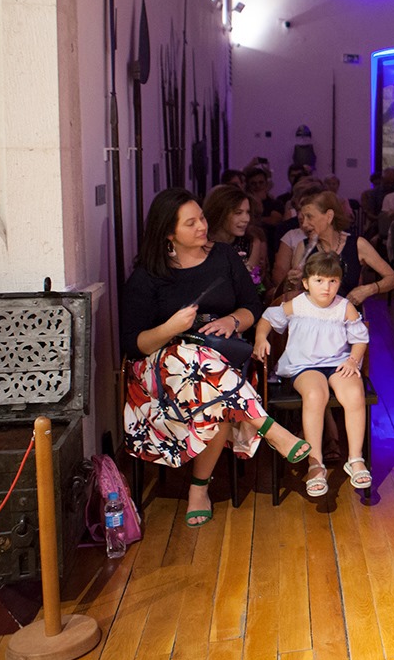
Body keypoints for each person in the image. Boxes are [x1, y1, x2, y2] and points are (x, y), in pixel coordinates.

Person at [120, 188, 310, 527]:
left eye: (202, 218)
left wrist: (232, 321)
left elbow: (252, 307)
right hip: (162, 369)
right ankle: (266, 429)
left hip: (221, 363)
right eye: (190, 223)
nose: (202, 227)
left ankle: (199, 489)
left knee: (213, 394)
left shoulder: (223, 256)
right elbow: (134, 345)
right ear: (168, 233)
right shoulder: (148, 276)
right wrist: (170, 328)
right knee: (193, 360)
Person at [253, 252, 371, 495]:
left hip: (337, 362)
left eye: (332, 281)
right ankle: (315, 462)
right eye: (319, 281)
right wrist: (260, 338)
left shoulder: (344, 307)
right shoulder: (297, 304)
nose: (326, 288)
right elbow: (267, 318)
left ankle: (355, 458)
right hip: (304, 365)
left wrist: (353, 359)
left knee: (353, 393)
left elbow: (360, 338)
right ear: (306, 283)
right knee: (316, 395)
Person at [293, 191, 394, 307]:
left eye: (309, 217)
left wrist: (367, 290)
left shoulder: (357, 245)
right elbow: (295, 293)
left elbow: (393, 279)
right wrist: (293, 282)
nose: (304, 224)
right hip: (314, 315)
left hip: (348, 315)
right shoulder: (303, 247)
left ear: (329, 216)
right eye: (303, 219)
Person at [203, 184, 268, 296]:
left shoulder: (251, 242)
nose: (246, 219)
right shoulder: (202, 242)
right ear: (220, 213)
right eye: (238, 213)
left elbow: (249, 286)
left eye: (247, 212)